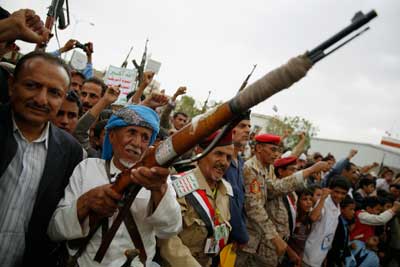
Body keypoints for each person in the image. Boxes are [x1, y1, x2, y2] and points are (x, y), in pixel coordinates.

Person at [47, 105, 182, 267]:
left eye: (145, 137)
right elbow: (56, 229)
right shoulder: (87, 168)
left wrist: (159, 190)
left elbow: (170, 229)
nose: (137, 143)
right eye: (131, 132)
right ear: (111, 136)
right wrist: (87, 202)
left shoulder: (159, 179)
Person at [0, 51, 83, 267]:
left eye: (54, 92)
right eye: (32, 86)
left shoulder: (70, 151)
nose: (41, 99)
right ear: (11, 85)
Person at [159, 130, 234, 267]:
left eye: (229, 158)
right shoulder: (178, 185)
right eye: (218, 154)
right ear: (200, 153)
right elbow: (167, 240)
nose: (224, 162)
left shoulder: (225, 191)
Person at [302, 176, 351, 267]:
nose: (339, 196)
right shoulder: (324, 203)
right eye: (336, 192)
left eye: (343, 193)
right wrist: (322, 199)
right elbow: (313, 218)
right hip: (309, 254)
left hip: (320, 255)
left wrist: (325, 255)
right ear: (330, 190)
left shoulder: (337, 206)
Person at [224, 115, 251, 248]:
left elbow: (241, 202)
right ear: (230, 130)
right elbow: (230, 203)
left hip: (233, 238)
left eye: (249, 126)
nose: (247, 130)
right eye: (242, 126)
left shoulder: (241, 162)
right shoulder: (223, 162)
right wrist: (241, 236)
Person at [326, 195, 356, 267]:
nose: (353, 212)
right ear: (342, 209)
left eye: (354, 209)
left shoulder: (345, 223)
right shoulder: (336, 223)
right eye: (351, 209)